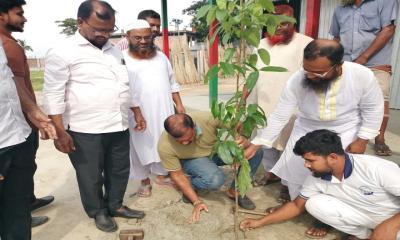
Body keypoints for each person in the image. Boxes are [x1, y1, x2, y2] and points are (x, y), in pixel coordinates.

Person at [246, 39, 383, 238]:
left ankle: (325, 218)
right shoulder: (298, 79)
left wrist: (362, 139)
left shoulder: (362, 76)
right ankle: (297, 206)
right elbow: (280, 114)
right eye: (306, 69)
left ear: (338, 66)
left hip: (345, 129)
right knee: (296, 169)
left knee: (335, 174)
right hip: (307, 127)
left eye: (318, 73)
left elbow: (373, 109)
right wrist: (259, 142)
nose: (310, 75)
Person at [43, 0, 145, 233]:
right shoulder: (62, 51)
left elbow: (124, 84)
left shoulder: (113, 50)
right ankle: (98, 211)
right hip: (84, 129)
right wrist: (60, 132)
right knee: (90, 177)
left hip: (117, 124)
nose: (105, 35)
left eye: (110, 30)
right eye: (99, 29)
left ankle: (115, 205)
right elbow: (53, 95)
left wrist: (135, 110)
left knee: (119, 170)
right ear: (80, 22)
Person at [240, 129, 400, 240]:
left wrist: (391, 225)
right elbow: (296, 206)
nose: (306, 165)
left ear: (332, 157)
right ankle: (364, 235)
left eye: (310, 160)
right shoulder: (317, 176)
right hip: (363, 216)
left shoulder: (377, 168)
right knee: (314, 204)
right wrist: (259, 222)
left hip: (394, 216)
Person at [247, 4, 312, 203]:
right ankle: (272, 173)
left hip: (291, 107)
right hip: (262, 104)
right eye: (274, 23)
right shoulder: (261, 44)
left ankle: (287, 183)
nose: (280, 27)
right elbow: (251, 74)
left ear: (293, 22)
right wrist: (244, 102)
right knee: (266, 144)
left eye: (285, 22)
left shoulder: (306, 43)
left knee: (288, 146)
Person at [0, 0, 54, 228]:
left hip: (18, 129)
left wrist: (36, 113)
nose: (24, 18)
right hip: (9, 135)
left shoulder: (4, 45)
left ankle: (26, 205)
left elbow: (11, 83)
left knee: (20, 186)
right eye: (19, 13)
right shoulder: (8, 45)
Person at [158, 112, 263, 222]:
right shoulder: (165, 145)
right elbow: (177, 175)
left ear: (194, 126)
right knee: (215, 180)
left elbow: (236, 125)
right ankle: (191, 185)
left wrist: (243, 138)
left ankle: (235, 191)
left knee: (256, 151)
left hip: (216, 150)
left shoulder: (206, 118)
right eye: (180, 141)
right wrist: (196, 202)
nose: (185, 143)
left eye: (189, 138)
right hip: (192, 159)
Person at [123, 20, 185, 197]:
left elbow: (173, 83)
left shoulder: (161, 57)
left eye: (146, 37)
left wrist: (179, 105)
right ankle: (144, 181)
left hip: (163, 109)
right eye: (137, 37)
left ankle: (161, 175)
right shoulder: (122, 59)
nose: (142, 41)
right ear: (127, 37)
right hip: (137, 113)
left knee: (163, 141)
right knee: (138, 146)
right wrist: (136, 112)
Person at [330, 0, 398, 156]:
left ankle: (379, 138)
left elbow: (388, 30)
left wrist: (363, 58)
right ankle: (345, 134)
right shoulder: (340, 9)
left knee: (380, 98)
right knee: (345, 99)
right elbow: (336, 37)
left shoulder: (385, 2)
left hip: (376, 62)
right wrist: (332, 60)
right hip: (346, 61)